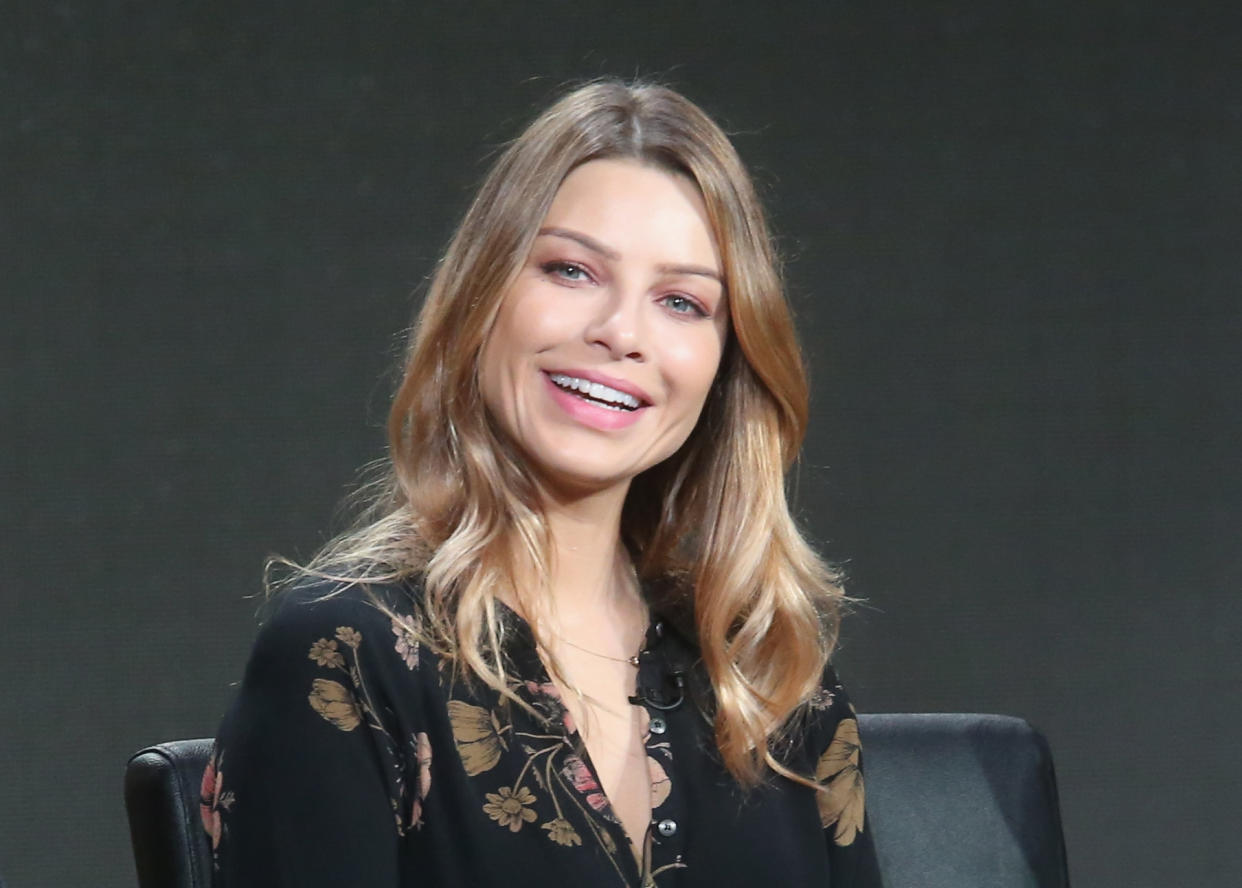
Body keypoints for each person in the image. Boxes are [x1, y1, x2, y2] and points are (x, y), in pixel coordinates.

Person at [202, 80, 881, 887]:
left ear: (727, 363)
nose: (621, 333)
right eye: (570, 270)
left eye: (681, 302)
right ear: (483, 297)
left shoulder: (764, 666)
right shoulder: (348, 653)